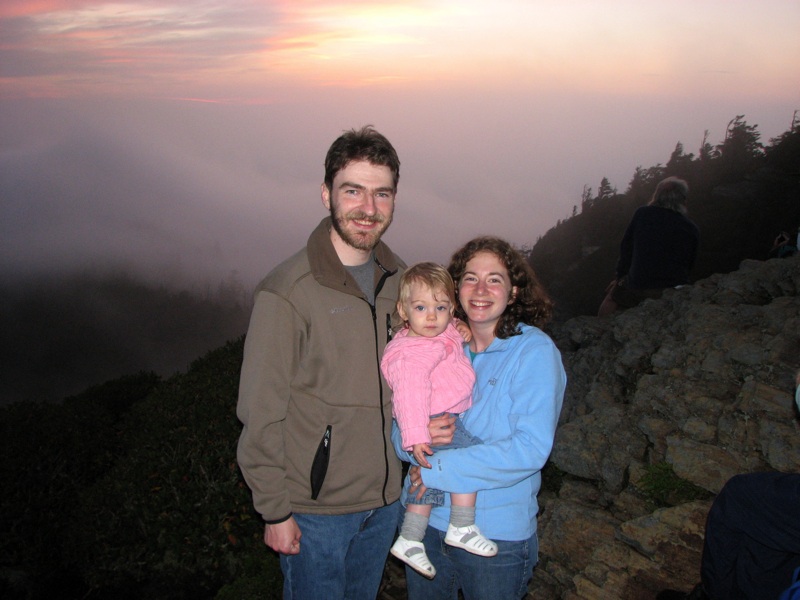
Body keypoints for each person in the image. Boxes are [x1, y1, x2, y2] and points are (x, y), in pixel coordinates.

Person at [236, 125, 412, 599]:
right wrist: (274, 510)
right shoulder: (288, 292)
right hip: (317, 513)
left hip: (387, 502)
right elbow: (259, 411)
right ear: (325, 194)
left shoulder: (403, 285)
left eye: (382, 193)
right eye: (352, 190)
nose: (368, 209)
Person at [395, 236, 567, 599]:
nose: (481, 289)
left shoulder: (533, 351)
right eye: (470, 277)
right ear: (455, 289)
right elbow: (400, 421)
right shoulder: (436, 342)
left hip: (496, 537)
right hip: (425, 527)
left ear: (514, 291)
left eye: (495, 279)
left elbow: (530, 449)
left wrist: (433, 468)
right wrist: (414, 442)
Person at [381, 262, 497, 580]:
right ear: (403, 311)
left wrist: (458, 329)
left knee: (426, 480)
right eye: (421, 307)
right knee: (469, 459)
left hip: (437, 418)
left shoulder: (435, 333)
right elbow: (408, 396)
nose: (432, 316)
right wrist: (416, 435)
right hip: (433, 420)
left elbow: (445, 334)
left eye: (441, 307)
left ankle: (410, 538)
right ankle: (461, 525)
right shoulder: (411, 353)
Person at [598, 176, 700, 317]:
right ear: (682, 200)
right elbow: (690, 263)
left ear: (657, 196)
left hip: (639, 285)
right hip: (674, 290)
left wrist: (619, 278)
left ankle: (600, 333)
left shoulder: (643, 214)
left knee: (611, 298)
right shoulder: (691, 228)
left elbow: (627, 249)